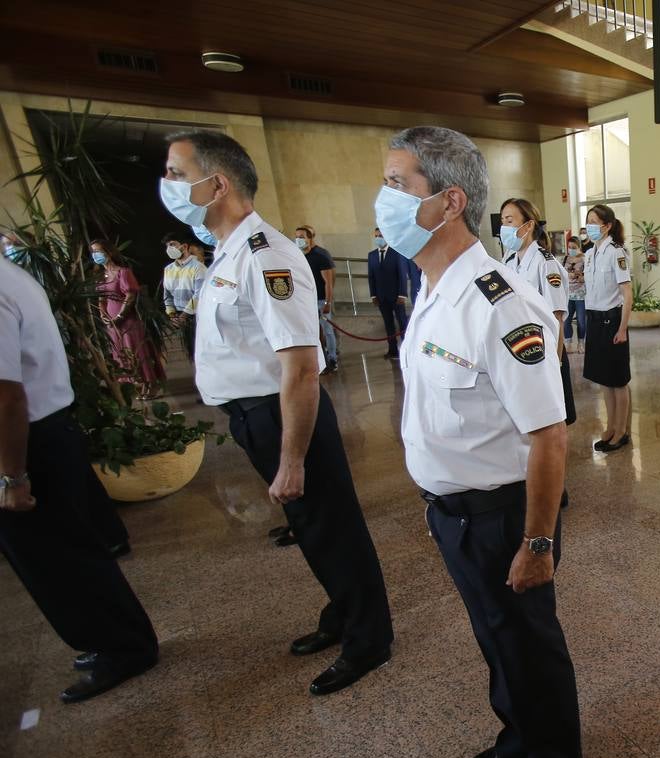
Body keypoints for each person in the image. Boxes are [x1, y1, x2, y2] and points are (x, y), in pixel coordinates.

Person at [378, 125, 581, 758]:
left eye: (398, 184)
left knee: (527, 640)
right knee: (494, 637)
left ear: (450, 201)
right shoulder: (433, 287)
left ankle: (555, 757)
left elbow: (549, 436)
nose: (385, 198)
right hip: (454, 509)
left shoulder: (503, 303)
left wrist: (539, 542)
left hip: (503, 516)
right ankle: (518, 732)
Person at [161, 129, 394, 695]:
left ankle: (369, 638)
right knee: (310, 525)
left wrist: (292, 458)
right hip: (255, 414)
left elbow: (299, 366)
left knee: (332, 525)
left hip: (285, 414)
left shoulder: (269, 256)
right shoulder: (228, 253)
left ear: (215, 184)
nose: (165, 184)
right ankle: (343, 612)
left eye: (174, 172)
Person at [0, 256, 160, 703]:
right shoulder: (11, 275)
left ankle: (122, 648)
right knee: (70, 553)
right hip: (45, 432)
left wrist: (11, 476)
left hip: (30, 442)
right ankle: (115, 638)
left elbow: (6, 397)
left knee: (57, 559)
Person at [500, 198, 577, 428]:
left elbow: (557, 318)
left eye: (510, 220)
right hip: (517, 349)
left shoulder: (546, 263)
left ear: (528, 225)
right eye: (502, 220)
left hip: (545, 351)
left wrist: (555, 363)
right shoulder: (508, 261)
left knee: (553, 421)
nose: (504, 227)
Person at [581, 204, 633, 453]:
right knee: (604, 380)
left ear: (607, 225)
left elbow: (627, 292)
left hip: (612, 322)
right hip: (594, 320)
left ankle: (621, 431)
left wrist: (622, 328)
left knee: (618, 381)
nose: (590, 225)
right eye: (588, 220)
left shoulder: (617, 252)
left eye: (594, 221)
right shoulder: (590, 253)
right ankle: (611, 427)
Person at [91, 239, 164, 399]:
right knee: (121, 354)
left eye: (98, 251)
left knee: (137, 352)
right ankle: (135, 383)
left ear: (109, 252)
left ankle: (151, 384)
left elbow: (130, 295)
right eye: (93, 252)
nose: (95, 255)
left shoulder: (123, 272)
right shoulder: (100, 276)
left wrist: (120, 316)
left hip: (128, 321)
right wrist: (103, 315)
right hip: (111, 324)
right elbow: (101, 299)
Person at [296, 225, 339, 372]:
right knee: (315, 332)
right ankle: (322, 360)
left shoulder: (321, 255)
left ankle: (332, 359)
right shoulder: (300, 255)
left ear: (310, 238)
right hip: (307, 301)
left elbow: (328, 281)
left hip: (321, 300)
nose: (298, 240)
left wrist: (328, 301)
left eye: (301, 237)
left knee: (328, 330)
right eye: (297, 237)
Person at [162, 232, 207, 362]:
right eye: (167, 246)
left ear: (184, 246)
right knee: (190, 352)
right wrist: (172, 315)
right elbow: (167, 294)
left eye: (172, 244)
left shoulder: (199, 268)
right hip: (180, 318)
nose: (169, 248)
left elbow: (199, 294)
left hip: (196, 317)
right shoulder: (168, 269)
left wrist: (183, 316)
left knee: (202, 352)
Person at [367, 226, 409, 359]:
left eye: (381, 236)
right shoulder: (372, 255)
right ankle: (392, 350)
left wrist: (402, 294)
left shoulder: (397, 253)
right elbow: (371, 276)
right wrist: (373, 295)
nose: (378, 238)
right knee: (388, 324)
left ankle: (407, 349)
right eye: (376, 236)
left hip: (396, 296)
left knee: (402, 322)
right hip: (381, 296)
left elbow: (402, 274)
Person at [563, 235, 586, 349]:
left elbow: (589, 275)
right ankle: (568, 342)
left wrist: (579, 277)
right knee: (566, 320)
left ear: (579, 247)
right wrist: (568, 275)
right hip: (568, 295)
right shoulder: (565, 259)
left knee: (581, 321)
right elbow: (561, 274)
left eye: (574, 247)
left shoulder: (585, 259)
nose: (571, 249)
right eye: (569, 247)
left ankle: (581, 343)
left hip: (581, 295)